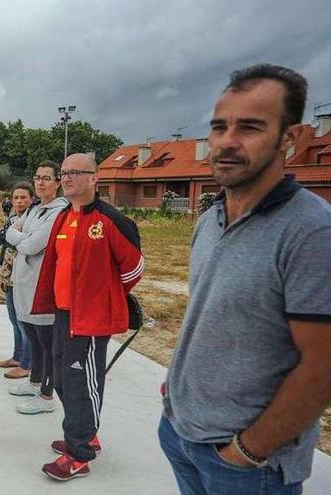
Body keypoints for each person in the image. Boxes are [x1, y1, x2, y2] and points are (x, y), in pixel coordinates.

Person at [159, 64, 331, 494]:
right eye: (219, 127)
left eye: (250, 127)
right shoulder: (211, 218)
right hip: (183, 435)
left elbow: (324, 365)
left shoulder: (312, 233)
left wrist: (248, 451)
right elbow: (210, 313)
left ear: (289, 139)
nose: (227, 142)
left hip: (247, 465)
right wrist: (174, 397)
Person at [31, 153, 143, 481]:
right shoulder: (65, 217)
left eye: (76, 173)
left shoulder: (110, 220)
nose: (67, 178)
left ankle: (79, 453)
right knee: (64, 380)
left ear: (95, 178)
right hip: (64, 314)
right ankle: (84, 432)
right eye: (64, 173)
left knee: (83, 384)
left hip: (91, 319)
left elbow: (134, 267)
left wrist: (106, 295)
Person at [5, 162, 69, 414]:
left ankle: (46, 396)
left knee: (46, 341)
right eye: (37, 178)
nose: (40, 182)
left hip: (41, 284)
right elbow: (11, 231)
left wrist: (20, 238)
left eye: (47, 178)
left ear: (57, 182)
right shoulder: (34, 210)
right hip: (23, 281)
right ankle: (34, 382)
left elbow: (32, 245)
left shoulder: (58, 211)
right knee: (31, 335)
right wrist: (21, 238)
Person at [0, 185, 32, 379]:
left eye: (24, 197)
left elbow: (23, 242)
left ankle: (27, 363)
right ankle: (17, 356)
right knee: (13, 319)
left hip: (24, 275)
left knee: (24, 321)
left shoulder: (33, 219)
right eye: (16, 197)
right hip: (9, 274)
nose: (19, 201)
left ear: (31, 199)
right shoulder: (12, 220)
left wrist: (12, 235)